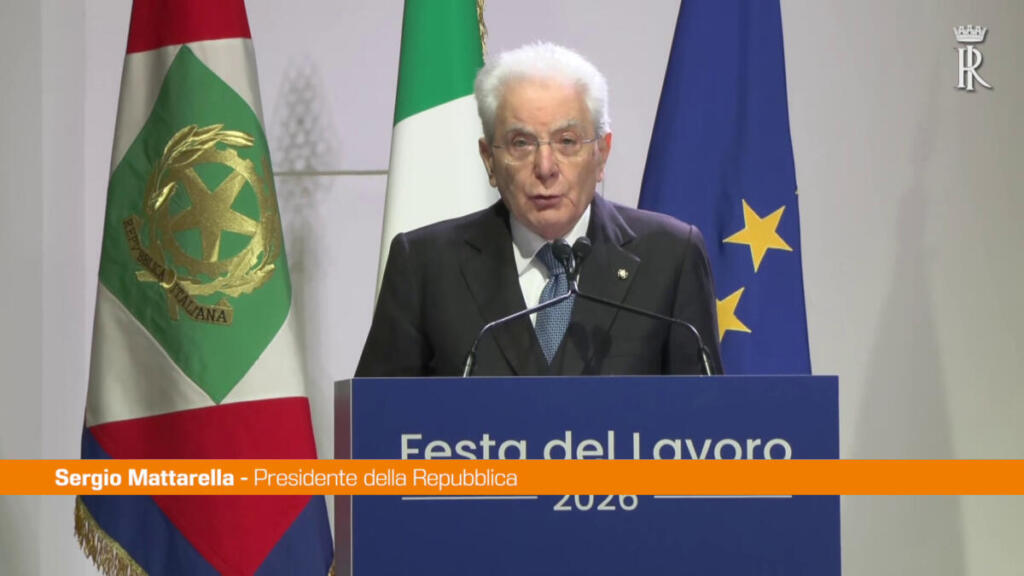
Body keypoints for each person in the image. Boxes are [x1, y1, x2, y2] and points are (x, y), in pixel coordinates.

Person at [356, 42, 721, 377]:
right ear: (489, 159)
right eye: (521, 143)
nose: (545, 167)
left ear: (601, 153)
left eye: (567, 141)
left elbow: (704, 416)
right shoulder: (425, 266)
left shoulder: (670, 257)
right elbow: (377, 417)